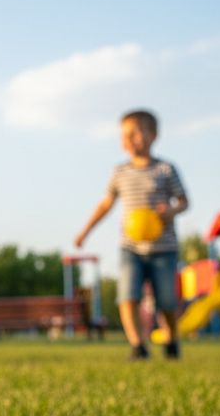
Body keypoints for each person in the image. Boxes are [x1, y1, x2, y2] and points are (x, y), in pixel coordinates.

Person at [75, 108, 189, 360]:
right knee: (128, 297)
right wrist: (85, 231)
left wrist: (170, 210)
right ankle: (139, 346)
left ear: (153, 135)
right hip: (130, 247)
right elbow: (105, 204)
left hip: (164, 248)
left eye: (134, 134)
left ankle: (171, 340)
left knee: (166, 301)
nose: (128, 139)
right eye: (124, 135)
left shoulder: (165, 170)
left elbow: (184, 201)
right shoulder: (119, 172)